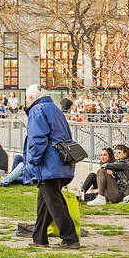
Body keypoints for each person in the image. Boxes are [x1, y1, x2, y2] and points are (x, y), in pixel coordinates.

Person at [22, 84, 79, 249]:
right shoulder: (54, 109)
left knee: (54, 202)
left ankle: (70, 238)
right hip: (60, 162)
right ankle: (39, 237)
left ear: (31, 98)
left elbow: (38, 139)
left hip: (49, 164)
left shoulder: (37, 110)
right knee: (46, 201)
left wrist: (33, 160)